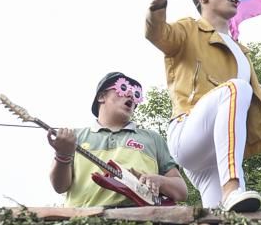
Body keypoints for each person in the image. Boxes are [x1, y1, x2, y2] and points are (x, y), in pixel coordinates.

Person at [145, 0, 261, 212]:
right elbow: (156, 34)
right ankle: (232, 186)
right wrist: (159, 0)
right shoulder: (189, 29)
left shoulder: (241, 53)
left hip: (213, 159)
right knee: (235, 89)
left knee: (222, 221)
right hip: (188, 133)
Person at [48, 71, 187, 207]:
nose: (131, 95)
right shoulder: (73, 138)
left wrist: (160, 181)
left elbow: (181, 191)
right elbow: (60, 187)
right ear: (102, 96)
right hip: (80, 220)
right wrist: (62, 155)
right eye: (123, 88)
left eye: (136, 93)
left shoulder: (153, 139)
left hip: (141, 220)